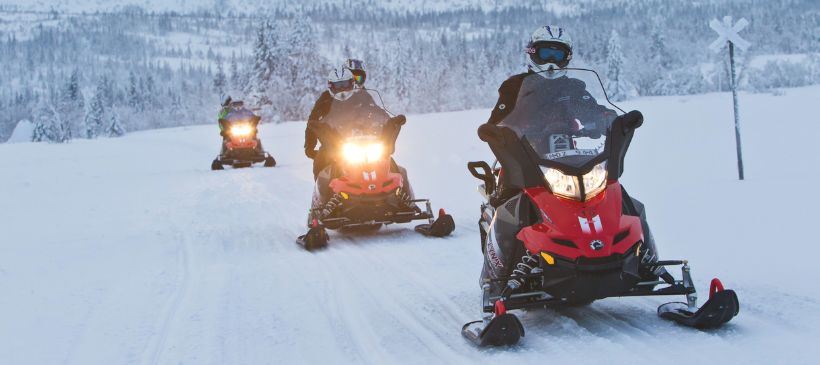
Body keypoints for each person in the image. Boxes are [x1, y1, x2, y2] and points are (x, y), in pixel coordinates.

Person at [482, 25, 667, 281]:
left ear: (567, 58)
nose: (551, 62)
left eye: (557, 55)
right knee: (507, 198)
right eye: (545, 53)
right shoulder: (515, 87)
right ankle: (500, 272)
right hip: (526, 155)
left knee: (613, 191)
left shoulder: (573, 87)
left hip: (569, 155)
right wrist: (500, 131)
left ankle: (644, 260)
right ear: (532, 53)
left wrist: (613, 121)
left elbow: (594, 110)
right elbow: (498, 120)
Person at [304, 60, 378, 179]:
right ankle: (322, 188)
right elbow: (313, 120)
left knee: (386, 159)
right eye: (353, 77)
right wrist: (309, 145)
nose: (356, 81)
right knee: (320, 162)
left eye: (358, 78)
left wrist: (388, 125)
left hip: (365, 139)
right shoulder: (327, 97)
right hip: (334, 142)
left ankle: (399, 188)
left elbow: (376, 112)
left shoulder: (364, 96)